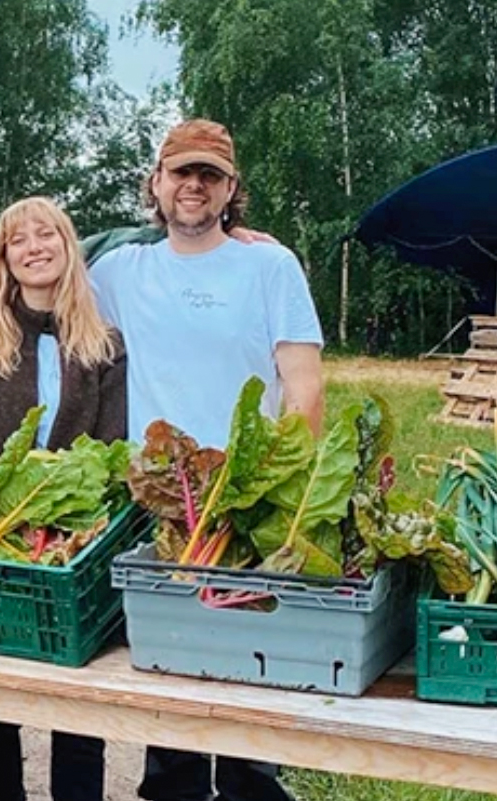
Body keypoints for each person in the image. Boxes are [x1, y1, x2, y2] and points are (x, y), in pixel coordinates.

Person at [90, 118, 323, 801]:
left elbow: (304, 386)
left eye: (209, 176)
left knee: (251, 684)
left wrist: (275, 490)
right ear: (156, 185)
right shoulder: (120, 272)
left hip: (245, 505)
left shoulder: (269, 266)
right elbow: (28, 267)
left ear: (231, 190)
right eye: (181, 173)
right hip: (163, 510)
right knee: (173, 687)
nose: (193, 186)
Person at [0, 196, 124, 801]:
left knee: (78, 697)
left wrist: (64, 497)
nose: (35, 247)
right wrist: (5, 484)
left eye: (48, 235)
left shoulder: (103, 345)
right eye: (19, 241)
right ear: (4, 260)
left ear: (69, 248)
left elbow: (111, 445)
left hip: (76, 537)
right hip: (1, 536)